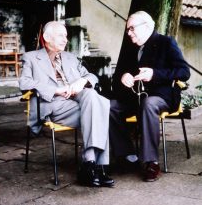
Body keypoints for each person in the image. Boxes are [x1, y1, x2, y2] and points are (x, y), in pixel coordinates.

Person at [19, 20, 114, 188]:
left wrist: (82, 81)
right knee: (100, 109)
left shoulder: (70, 57)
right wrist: (56, 90)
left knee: (92, 96)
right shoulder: (31, 57)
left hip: (78, 100)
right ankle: (98, 166)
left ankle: (90, 164)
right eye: (61, 35)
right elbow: (24, 83)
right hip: (52, 103)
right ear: (47, 38)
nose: (65, 39)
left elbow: (92, 76)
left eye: (66, 36)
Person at [110, 11, 190, 182]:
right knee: (109, 107)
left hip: (161, 96)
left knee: (148, 104)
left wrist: (154, 74)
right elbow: (117, 76)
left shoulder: (165, 42)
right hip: (134, 97)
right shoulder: (129, 47)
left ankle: (150, 161)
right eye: (127, 30)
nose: (129, 33)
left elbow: (184, 72)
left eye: (132, 28)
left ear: (146, 26)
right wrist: (123, 76)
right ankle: (127, 155)